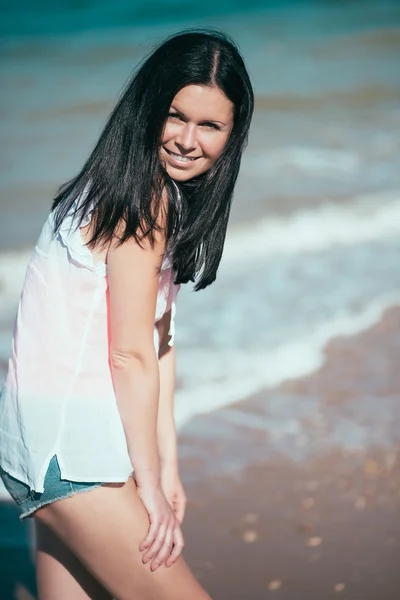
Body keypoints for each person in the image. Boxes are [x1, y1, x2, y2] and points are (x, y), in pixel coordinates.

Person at [0, 29, 254, 599]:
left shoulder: (110, 186)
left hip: (36, 448)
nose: (188, 140)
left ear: (233, 134)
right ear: (148, 108)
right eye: (175, 116)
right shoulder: (144, 200)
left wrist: (166, 467)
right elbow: (129, 355)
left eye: (210, 125)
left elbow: (159, 344)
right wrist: (151, 491)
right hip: (73, 456)